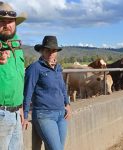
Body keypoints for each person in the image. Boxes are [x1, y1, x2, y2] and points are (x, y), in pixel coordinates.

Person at [23, 35, 71, 150]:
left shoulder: (58, 68)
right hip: (44, 115)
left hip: (61, 114)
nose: (51, 53)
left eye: (54, 50)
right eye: (47, 50)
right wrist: (25, 115)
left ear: (57, 52)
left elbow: (62, 88)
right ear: (42, 51)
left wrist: (67, 104)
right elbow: (27, 92)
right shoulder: (35, 68)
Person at [0, 1, 27, 150]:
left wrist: (20, 108)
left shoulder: (17, 47)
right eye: (2, 21)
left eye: (10, 21)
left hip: (16, 113)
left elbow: (19, 79)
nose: (6, 25)